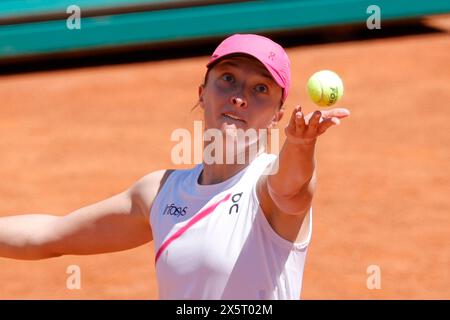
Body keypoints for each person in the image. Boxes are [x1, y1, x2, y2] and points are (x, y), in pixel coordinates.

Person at [0, 33, 350, 299]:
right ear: (202, 92)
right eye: (227, 78)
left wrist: (302, 146)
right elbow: (48, 236)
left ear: (277, 115)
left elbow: (292, 187)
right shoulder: (159, 194)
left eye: (260, 87)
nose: (240, 96)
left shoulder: (268, 187)